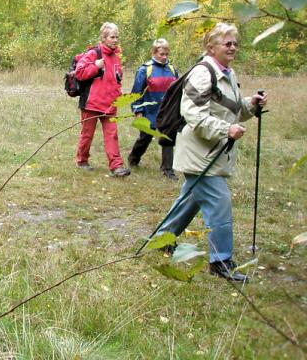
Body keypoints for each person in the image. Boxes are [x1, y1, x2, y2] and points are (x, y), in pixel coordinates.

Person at [155, 23, 267, 282]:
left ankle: (161, 240)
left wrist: (251, 104)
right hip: (199, 154)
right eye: (227, 43)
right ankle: (221, 261)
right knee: (219, 203)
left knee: (189, 201)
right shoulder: (203, 74)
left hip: (212, 152)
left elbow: (232, 109)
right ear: (211, 47)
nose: (232, 47)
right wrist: (225, 129)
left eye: (235, 43)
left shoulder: (226, 73)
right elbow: (193, 113)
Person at [74, 22, 131, 177]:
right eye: (112, 37)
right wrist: (96, 66)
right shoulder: (94, 53)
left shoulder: (117, 56)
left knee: (112, 135)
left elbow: (116, 79)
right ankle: (82, 160)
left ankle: (116, 166)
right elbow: (79, 73)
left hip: (110, 104)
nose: (115, 40)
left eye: (117, 37)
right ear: (104, 38)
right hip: (91, 103)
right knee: (87, 134)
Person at [128, 38, 179, 180]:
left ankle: (167, 169)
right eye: (161, 54)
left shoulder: (173, 70)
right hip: (149, 111)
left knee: (168, 139)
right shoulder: (145, 69)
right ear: (154, 52)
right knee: (145, 138)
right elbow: (136, 92)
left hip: (167, 112)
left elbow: (177, 91)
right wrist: (138, 111)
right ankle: (133, 158)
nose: (164, 57)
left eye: (166, 54)